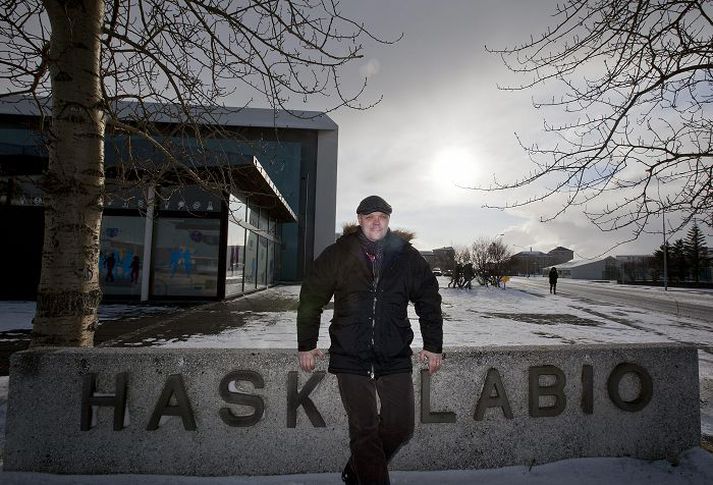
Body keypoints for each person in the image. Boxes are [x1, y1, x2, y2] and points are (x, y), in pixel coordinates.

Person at [297, 195, 443, 485]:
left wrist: (433, 345)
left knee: (401, 427)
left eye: (382, 216)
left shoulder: (407, 257)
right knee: (364, 430)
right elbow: (311, 297)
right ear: (359, 220)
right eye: (369, 216)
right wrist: (306, 344)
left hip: (394, 354)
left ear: (388, 220)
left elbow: (428, 299)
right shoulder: (339, 253)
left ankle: (357, 470)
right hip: (351, 355)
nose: (376, 221)